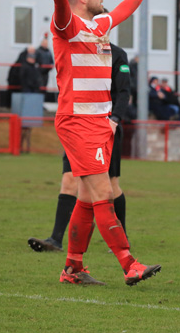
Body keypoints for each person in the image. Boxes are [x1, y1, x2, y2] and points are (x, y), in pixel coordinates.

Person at [46, 0, 161, 286]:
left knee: (86, 197)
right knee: (103, 193)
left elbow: (125, 9)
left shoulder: (100, 27)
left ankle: (73, 268)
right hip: (78, 121)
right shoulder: (67, 25)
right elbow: (60, 3)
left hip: (98, 122)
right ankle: (129, 264)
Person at [28, 43, 132, 253]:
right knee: (68, 180)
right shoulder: (77, 50)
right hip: (78, 129)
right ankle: (55, 240)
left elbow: (124, 91)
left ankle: (122, 238)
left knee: (111, 186)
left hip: (104, 128)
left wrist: (115, 119)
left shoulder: (117, 55)